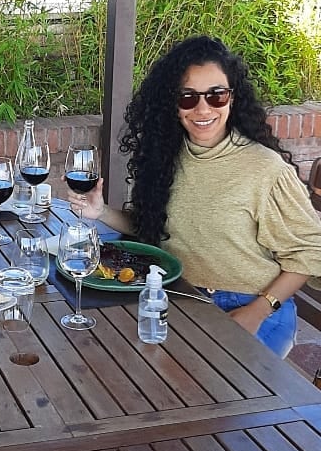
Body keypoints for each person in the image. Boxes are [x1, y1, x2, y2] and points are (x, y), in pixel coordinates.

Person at [70, 35, 321, 358]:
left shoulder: (264, 168)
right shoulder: (165, 157)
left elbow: (309, 253)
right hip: (176, 296)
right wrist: (101, 211)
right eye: (188, 97)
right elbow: (152, 225)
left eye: (216, 95)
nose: (203, 108)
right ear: (172, 103)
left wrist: (259, 310)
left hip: (250, 304)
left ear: (233, 98)